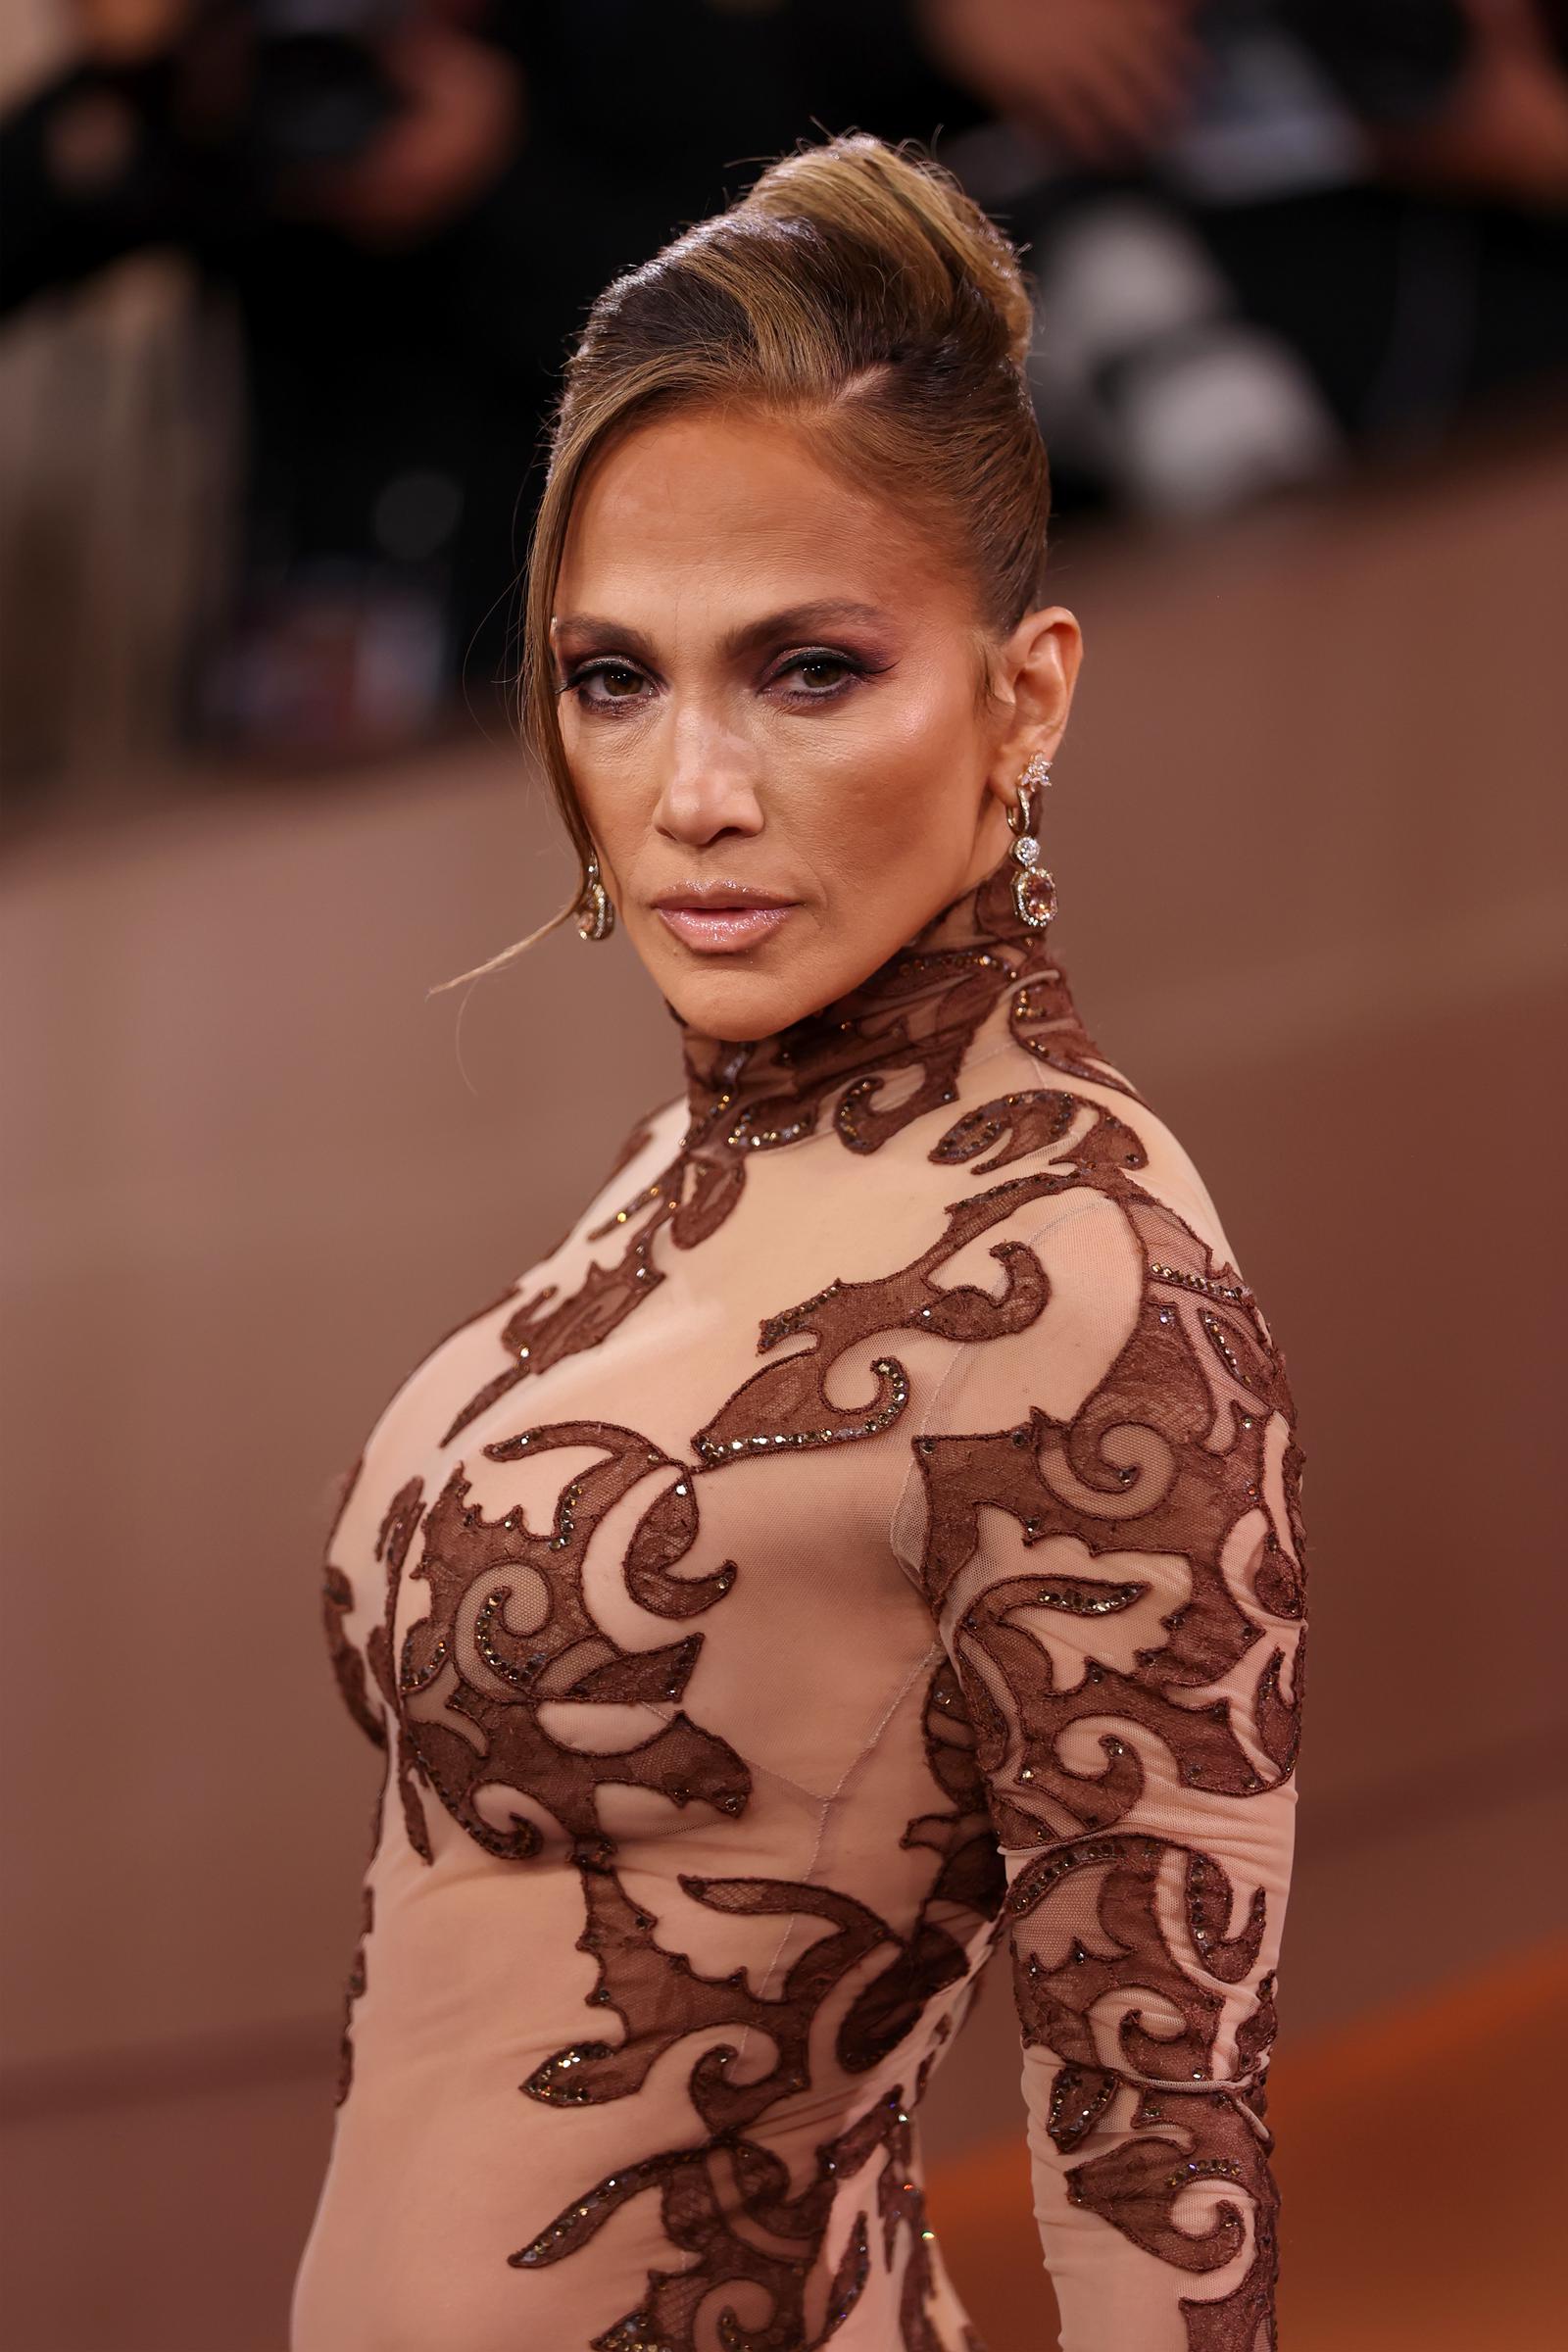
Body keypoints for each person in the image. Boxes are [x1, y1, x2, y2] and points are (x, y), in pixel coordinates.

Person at [293, 134, 1307, 2352]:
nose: (692, 794)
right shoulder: (677, 1185)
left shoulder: (1078, 1285)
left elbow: (1158, 2153)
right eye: (612, 676)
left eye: (808, 673)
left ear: (1023, 696)